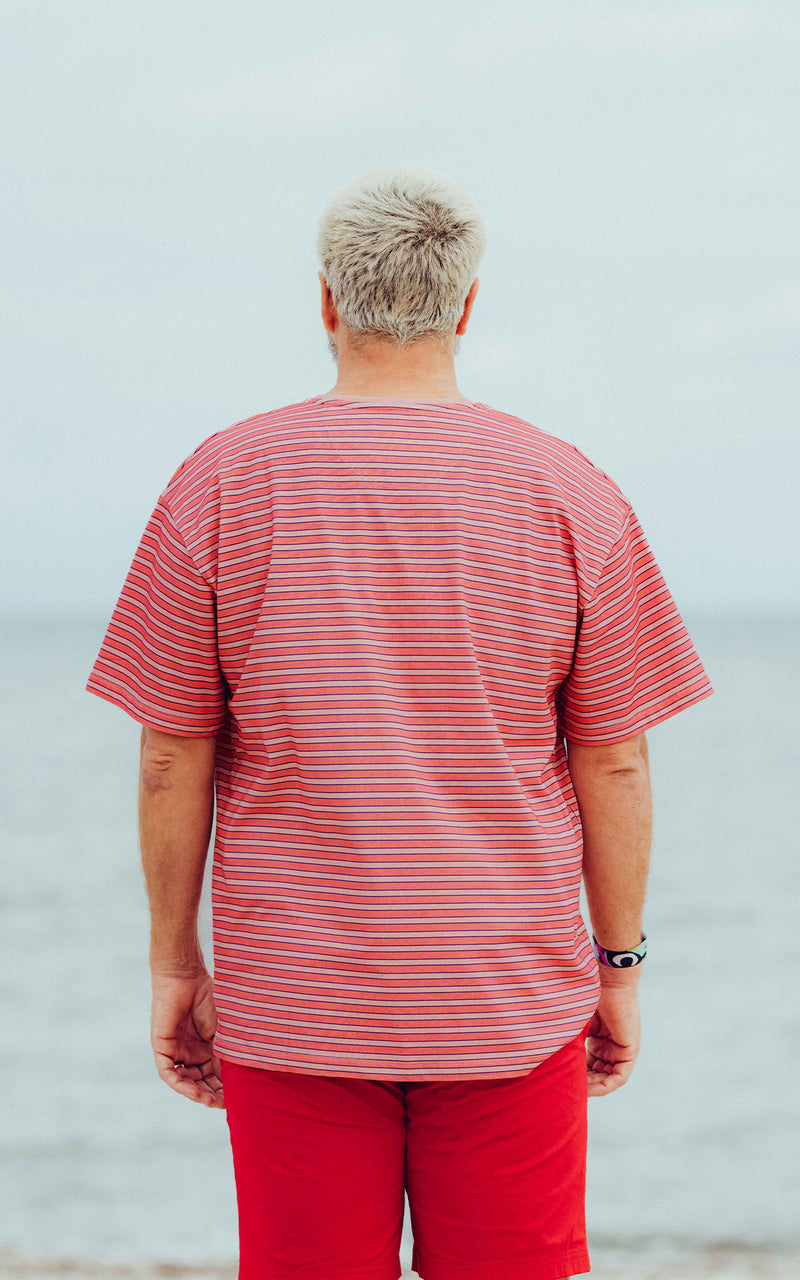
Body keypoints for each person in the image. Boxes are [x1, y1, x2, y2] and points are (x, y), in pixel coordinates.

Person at [85, 163, 714, 1280]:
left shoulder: (220, 481)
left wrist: (173, 961)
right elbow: (613, 757)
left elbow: (169, 753)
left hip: (293, 995)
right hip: (507, 994)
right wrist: (615, 964)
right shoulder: (568, 491)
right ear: (468, 304)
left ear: (324, 299)